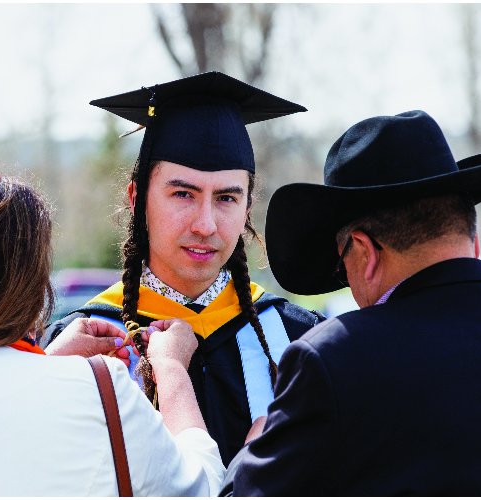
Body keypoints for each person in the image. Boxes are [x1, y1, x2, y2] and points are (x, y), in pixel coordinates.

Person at [45, 72, 324, 464]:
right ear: (137, 199)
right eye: (183, 194)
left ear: (248, 207)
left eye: (226, 198)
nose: (205, 225)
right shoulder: (77, 347)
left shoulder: (296, 339)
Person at [227, 110, 481, 495]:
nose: (348, 284)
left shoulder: (333, 359)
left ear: (364, 252)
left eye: (341, 268)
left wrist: (255, 445)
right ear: (474, 242)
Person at [0, 172, 222, 496]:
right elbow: (203, 487)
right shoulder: (100, 391)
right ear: (29, 286)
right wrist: (171, 368)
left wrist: (49, 360)